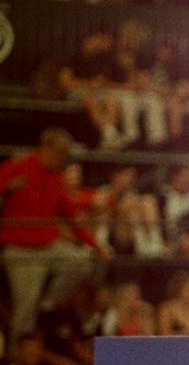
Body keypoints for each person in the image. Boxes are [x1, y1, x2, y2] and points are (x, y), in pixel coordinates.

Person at [0, 128, 109, 341]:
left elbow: (71, 217)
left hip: (47, 246)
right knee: (25, 308)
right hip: (19, 248)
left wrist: (96, 245)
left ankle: (48, 304)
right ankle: (15, 354)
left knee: (80, 261)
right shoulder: (16, 167)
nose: (63, 159)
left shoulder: (57, 178)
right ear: (46, 149)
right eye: (60, 153)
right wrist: (7, 189)